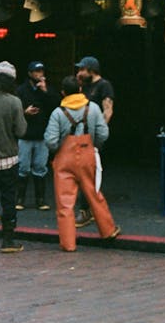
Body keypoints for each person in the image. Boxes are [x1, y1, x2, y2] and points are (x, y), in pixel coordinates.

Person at [44, 76, 120, 252]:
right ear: (80, 90)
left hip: (64, 159)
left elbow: (50, 140)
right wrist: (94, 145)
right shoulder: (92, 108)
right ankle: (108, 231)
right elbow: (103, 133)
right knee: (94, 194)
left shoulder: (58, 112)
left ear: (63, 92)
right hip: (87, 155)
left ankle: (68, 244)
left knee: (65, 203)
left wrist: (58, 149)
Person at [74, 56, 114, 228]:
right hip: (81, 136)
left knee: (88, 174)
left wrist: (99, 134)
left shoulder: (104, 86)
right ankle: (88, 209)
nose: (79, 73)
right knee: (82, 173)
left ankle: (86, 210)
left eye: (82, 69)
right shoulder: (84, 86)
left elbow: (108, 110)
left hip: (94, 138)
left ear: (91, 70)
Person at [16, 61, 58, 211]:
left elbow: (56, 107)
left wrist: (46, 91)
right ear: (29, 73)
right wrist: (24, 112)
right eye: (36, 71)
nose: (40, 74)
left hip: (42, 134)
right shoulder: (20, 90)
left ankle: (40, 200)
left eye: (41, 71)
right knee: (23, 167)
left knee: (40, 167)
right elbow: (14, 110)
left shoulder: (48, 90)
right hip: (25, 134)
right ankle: (20, 199)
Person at [0, 61, 28, 252]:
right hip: (7, 159)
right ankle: (8, 240)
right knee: (8, 198)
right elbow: (21, 131)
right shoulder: (14, 102)